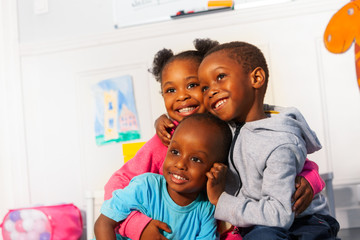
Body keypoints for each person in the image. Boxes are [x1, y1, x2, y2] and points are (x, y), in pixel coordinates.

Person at [104, 39, 324, 240]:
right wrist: (137, 225)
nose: (182, 95)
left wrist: (311, 180)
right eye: (171, 90)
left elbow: (287, 154)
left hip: (235, 227)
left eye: (194, 85)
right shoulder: (165, 139)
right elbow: (117, 186)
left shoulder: (233, 127)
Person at [197, 41, 340, 239]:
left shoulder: (279, 142)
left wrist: (220, 200)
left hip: (303, 223)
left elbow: (278, 215)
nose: (211, 91)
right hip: (260, 222)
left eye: (220, 77)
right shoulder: (223, 129)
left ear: (256, 78)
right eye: (204, 87)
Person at [95, 113, 233, 240]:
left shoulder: (205, 210)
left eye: (196, 159)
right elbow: (103, 224)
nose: (180, 164)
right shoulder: (146, 186)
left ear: (216, 170)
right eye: (175, 151)